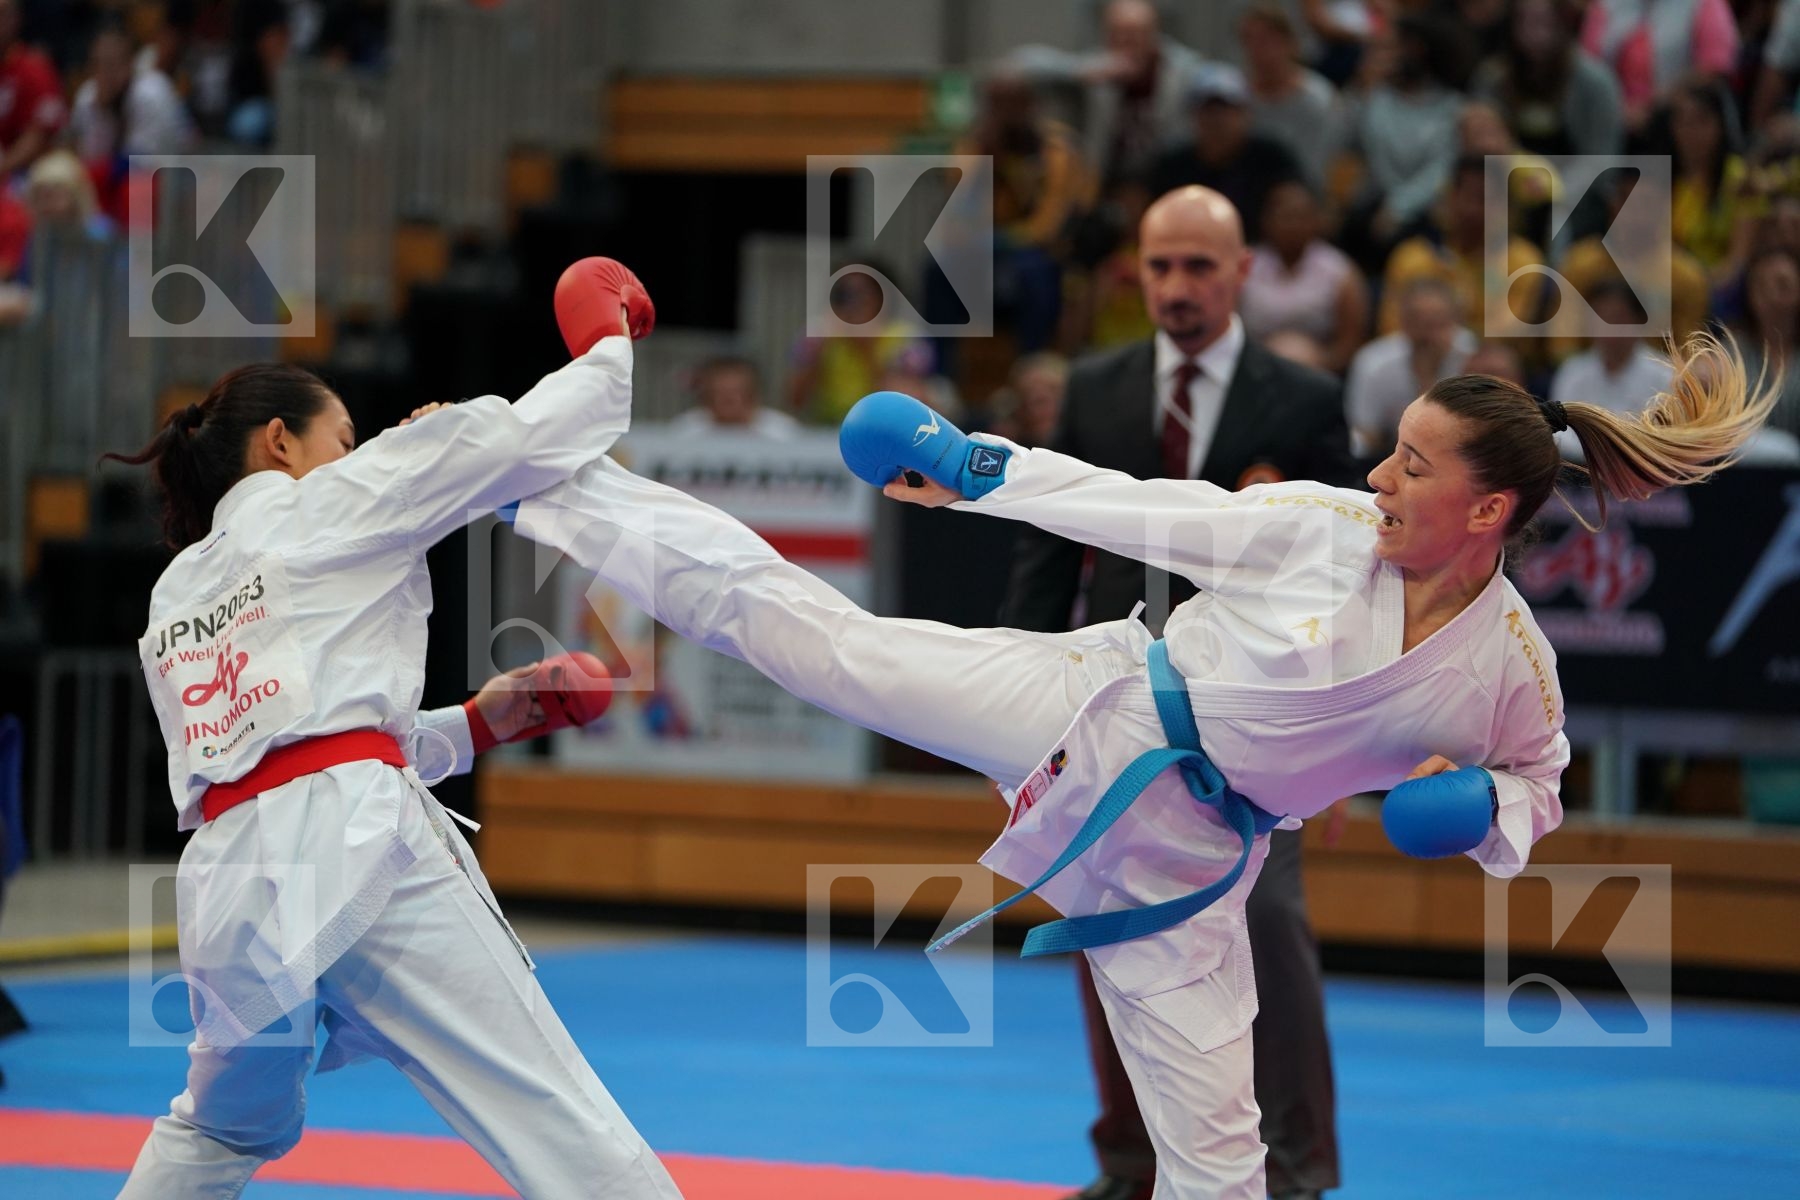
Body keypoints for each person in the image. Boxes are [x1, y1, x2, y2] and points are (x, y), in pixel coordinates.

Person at [499, 327, 1774, 1200]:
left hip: (1192, 864)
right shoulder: (1323, 530)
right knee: (829, 648)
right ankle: (553, 490)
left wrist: (1484, 805)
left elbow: (1542, 782)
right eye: (1390, 449)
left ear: (1486, 512)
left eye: (1411, 466)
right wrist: (981, 469)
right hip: (1095, 708)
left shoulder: (1512, 667)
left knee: (1220, 1165)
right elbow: (1148, 507)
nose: (1379, 475)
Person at [102, 260, 685, 1199]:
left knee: (217, 1127)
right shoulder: (337, 495)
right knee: (551, 1110)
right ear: (281, 442)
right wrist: (606, 342)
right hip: (357, 851)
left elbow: (284, 746)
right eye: (345, 438)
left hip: (228, 887)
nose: (359, 450)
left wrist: (474, 725)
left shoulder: (178, 590)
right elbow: (544, 432)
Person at [1001, 185, 1349, 1200]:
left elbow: (1341, 579)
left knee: (1268, 930)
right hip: (1115, 701)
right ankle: (1131, 1165)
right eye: (1160, 267)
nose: (1178, 286)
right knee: (1104, 927)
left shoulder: (1303, 401)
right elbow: (1047, 549)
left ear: (1242, 272)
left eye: (1200, 266)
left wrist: (1338, 744)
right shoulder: (1096, 388)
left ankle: (1296, 1171)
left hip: (1256, 715)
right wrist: (1021, 700)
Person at [1148, 65, 1305, 246]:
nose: (1217, 120)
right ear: (1193, 116)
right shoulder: (1173, 164)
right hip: (1188, 253)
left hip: (1261, 254)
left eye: (1226, 110)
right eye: (1208, 111)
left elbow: (1295, 204)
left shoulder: (1271, 158)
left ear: (1246, 114)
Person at [1241, 179, 1368, 375]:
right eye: (1285, 216)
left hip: (1319, 373)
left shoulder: (1340, 270)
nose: (1293, 225)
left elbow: (1350, 342)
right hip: (1252, 371)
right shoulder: (1244, 266)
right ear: (1266, 220)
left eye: (1301, 216)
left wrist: (1312, 368)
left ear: (1317, 220)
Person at [1470, 0, 1624, 157]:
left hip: (1574, 170)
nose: (1534, 34)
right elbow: (1479, 148)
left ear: (1563, 25)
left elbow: (1602, 157)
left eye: (1544, 23)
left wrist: (1551, 175)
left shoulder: (1596, 83)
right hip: (1509, 169)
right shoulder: (1492, 78)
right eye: (1524, 22)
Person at [1347, 278, 1476, 459]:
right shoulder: (1373, 362)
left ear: (1456, 320)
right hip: (1390, 454)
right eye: (1418, 321)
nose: (1427, 333)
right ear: (1402, 321)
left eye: (1437, 321)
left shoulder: (1474, 356)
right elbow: (1364, 430)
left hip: (1461, 453)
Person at [0, 0, 65, 179]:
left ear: (15, 20)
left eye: (1, 15)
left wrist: (3, 168)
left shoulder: (36, 70)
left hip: (27, 174)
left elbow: (39, 135)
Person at [669, 354, 801, 438]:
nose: (728, 400)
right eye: (720, 393)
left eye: (736, 393)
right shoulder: (685, 431)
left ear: (754, 395)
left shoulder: (783, 433)